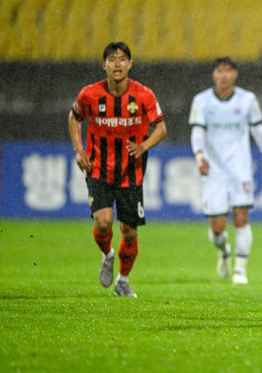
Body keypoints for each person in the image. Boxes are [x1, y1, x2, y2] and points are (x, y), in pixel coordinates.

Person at [69, 41, 167, 297]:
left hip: (130, 172)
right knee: (104, 222)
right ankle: (108, 254)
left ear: (130, 64)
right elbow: (74, 117)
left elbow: (161, 128)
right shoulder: (90, 94)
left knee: (129, 231)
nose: (117, 64)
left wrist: (143, 145)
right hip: (98, 168)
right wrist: (79, 150)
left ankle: (123, 280)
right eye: (112, 59)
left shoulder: (143, 95)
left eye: (122, 59)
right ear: (104, 65)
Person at [189, 57, 262, 284]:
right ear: (214, 75)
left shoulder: (247, 100)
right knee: (217, 227)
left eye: (228, 71)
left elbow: (257, 129)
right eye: (220, 71)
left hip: (240, 168)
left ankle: (240, 269)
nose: (224, 75)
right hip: (213, 170)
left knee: (241, 217)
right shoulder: (202, 101)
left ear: (235, 74)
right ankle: (224, 249)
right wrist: (199, 156)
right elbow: (197, 132)